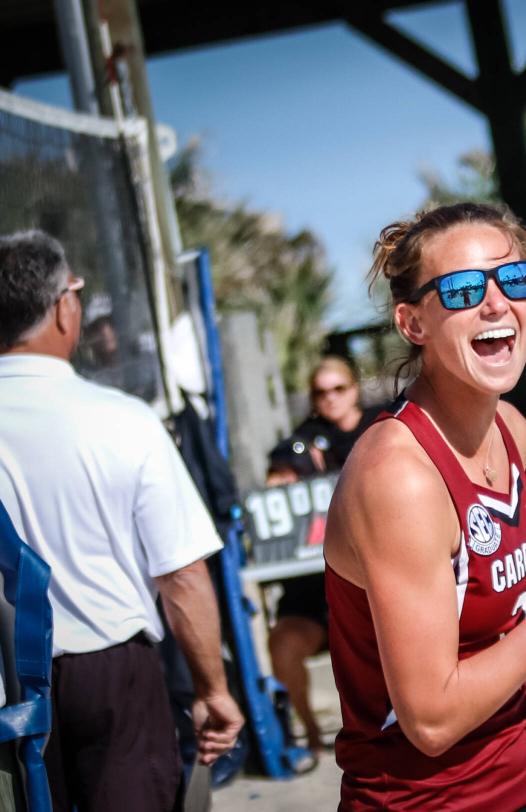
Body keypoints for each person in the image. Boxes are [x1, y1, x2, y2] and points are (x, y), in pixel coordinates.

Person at [323, 203, 526, 811]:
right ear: (413, 324)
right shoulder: (399, 477)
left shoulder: (511, 431)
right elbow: (432, 721)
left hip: (522, 779)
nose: (496, 303)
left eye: (514, 279)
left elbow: (495, 626)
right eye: (464, 289)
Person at [0, 230, 244, 811]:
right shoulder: (123, 421)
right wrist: (212, 689)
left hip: (6, 687)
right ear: (65, 307)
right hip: (111, 676)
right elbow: (181, 575)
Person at [264, 356, 381, 754]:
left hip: (377, 587)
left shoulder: (385, 427)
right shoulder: (302, 439)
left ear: (355, 389)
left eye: (338, 389)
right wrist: (285, 474)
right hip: (316, 594)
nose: (330, 398)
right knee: (282, 643)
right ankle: (311, 735)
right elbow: (279, 468)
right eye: (320, 392)